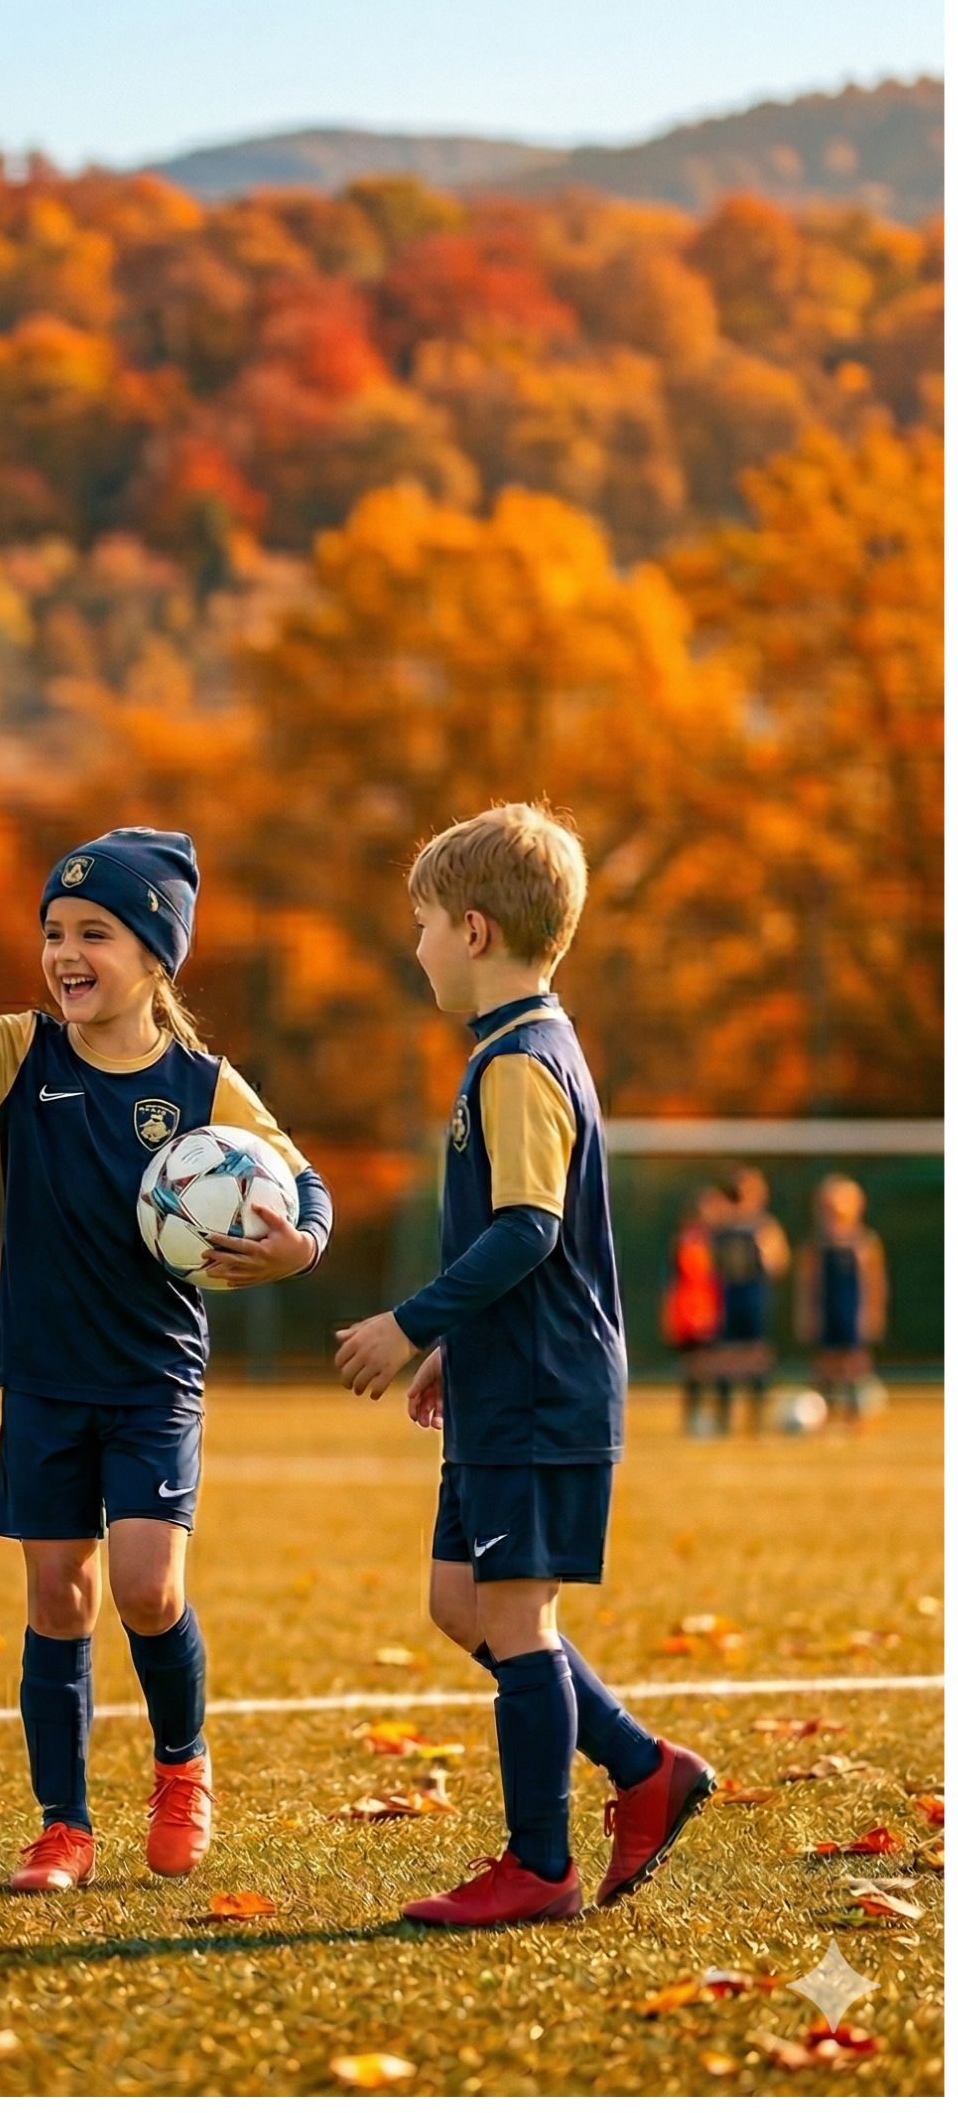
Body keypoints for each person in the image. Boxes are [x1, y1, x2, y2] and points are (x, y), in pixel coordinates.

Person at [0, 819, 331, 1894]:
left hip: (150, 1377)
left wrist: (294, 1248)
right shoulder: (16, 1056)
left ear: (153, 954)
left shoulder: (202, 1087)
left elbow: (303, 1185)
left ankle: (180, 1764)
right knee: (57, 1599)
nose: (63, 953)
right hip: (42, 1376)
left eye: (93, 931)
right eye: (52, 931)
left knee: (142, 1586)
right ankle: (63, 1826)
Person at [334, 802, 714, 1928]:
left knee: (515, 1614)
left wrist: (410, 1321)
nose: (414, 948)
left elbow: (525, 1228)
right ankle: (645, 1769)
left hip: (545, 1390)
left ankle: (537, 1865)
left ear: (473, 928)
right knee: (463, 1603)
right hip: (508, 1377)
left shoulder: (517, 1063)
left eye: (419, 926)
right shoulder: (509, 1051)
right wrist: (460, 1343)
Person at [703, 1166, 789, 1434]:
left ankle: (757, 1415)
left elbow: (778, 1262)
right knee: (725, 1354)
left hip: (753, 1295)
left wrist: (767, 1252)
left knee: (756, 1353)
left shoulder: (763, 1225)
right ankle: (723, 1416)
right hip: (727, 1295)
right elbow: (709, 1263)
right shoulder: (722, 1225)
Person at [795, 1174, 887, 1423]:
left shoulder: (864, 1243)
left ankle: (855, 1412)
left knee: (855, 1361)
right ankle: (823, 1411)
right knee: (826, 1362)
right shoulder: (816, 1245)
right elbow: (808, 1284)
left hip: (852, 1310)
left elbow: (874, 1283)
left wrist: (872, 1312)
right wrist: (807, 1313)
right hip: (827, 1309)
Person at [662, 1187, 725, 1438]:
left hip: (713, 1309)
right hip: (689, 1310)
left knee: (716, 1364)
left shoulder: (721, 1240)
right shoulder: (683, 1241)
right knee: (693, 1366)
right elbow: (672, 1279)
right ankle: (694, 1418)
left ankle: (719, 1418)